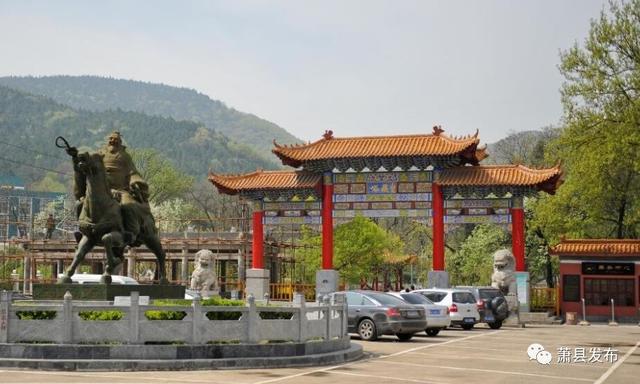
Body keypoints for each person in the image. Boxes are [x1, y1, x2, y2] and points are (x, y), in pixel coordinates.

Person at [68, 131, 151, 245]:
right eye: (111, 139)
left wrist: (135, 181)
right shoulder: (99, 154)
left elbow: (133, 172)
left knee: (128, 206)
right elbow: (85, 162)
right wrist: (75, 156)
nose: (113, 141)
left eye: (116, 139)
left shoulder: (125, 157)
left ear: (120, 142)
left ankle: (131, 233)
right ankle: (83, 230)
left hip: (121, 190)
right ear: (107, 140)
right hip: (101, 189)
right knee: (80, 204)